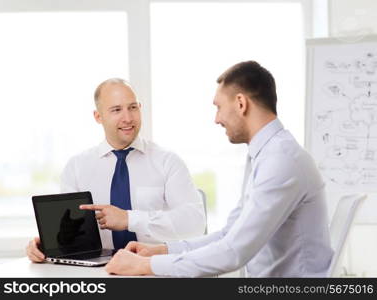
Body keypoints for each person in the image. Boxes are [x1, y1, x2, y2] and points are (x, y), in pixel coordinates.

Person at [104, 61, 334, 277]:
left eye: (219, 107)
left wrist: (145, 265)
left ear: (241, 104)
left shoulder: (282, 161)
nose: (217, 119)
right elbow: (229, 235)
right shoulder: (266, 155)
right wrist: (163, 250)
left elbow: (234, 252)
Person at [26, 78, 206, 263]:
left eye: (133, 107)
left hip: (154, 269)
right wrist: (46, 244)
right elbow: (70, 233)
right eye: (116, 110)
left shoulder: (167, 161)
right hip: (99, 273)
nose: (128, 118)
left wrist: (129, 219)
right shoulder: (77, 167)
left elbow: (195, 223)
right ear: (98, 117)